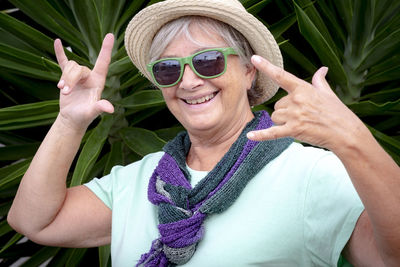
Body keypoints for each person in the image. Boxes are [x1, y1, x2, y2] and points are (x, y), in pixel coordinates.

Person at [7, 0, 400, 266]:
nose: (189, 81)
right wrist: (70, 121)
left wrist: (352, 136)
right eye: (168, 69)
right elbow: (34, 221)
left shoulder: (310, 173)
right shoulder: (145, 181)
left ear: (249, 71)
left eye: (208, 61)